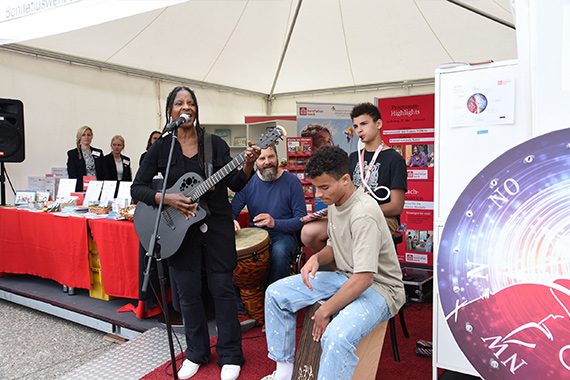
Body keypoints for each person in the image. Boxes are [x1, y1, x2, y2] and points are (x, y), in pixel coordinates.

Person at [131, 86, 261, 380]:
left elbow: (236, 183)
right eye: (179, 103)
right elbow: (137, 188)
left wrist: (249, 162)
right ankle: (196, 352)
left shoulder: (214, 144)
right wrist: (167, 199)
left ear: (196, 110)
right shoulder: (161, 148)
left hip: (215, 226)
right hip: (177, 230)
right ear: (170, 112)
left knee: (223, 291)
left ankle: (230, 354)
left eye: (190, 103)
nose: (185, 107)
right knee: (188, 293)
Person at [260, 146, 405, 380]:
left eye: (324, 187)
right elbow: (336, 248)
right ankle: (284, 373)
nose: (318, 194)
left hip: (380, 288)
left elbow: (365, 278)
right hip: (347, 276)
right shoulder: (336, 201)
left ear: (346, 180)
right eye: (316, 187)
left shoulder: (364, 213)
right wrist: (317, 258)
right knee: (276, 293)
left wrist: (326, 310)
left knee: (336, 336)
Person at [301, 102, 407, 252]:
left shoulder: (394, 159)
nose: (359, 130)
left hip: (382, 217)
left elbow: (396, 207)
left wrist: (361, 211)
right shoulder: (352, 157)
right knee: (308, 233)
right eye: (356, 126)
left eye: (364, 124)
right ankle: (340, 269)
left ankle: (356, 271)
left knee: (354, 232)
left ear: (378, 124)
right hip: (350, 214)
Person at [231, 145, 307, 285]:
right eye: (262, 158)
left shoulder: (292, 182)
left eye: (271, 156)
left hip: (284, 235)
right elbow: (232, 211)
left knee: (279, 252)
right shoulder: (247, 183)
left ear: (277, 157)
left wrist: (274, 223)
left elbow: (301, 220)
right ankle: (242, 303)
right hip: (254, 237)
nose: (267, 162)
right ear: (255, 161)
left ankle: (273, 296)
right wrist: (231, 220)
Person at [66, 126, 106, 192]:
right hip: (81, 189)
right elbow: (72, 174)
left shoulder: (98, 152)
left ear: (92, 136)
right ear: (79, 137)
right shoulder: (73, 154)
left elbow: (104, 171)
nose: (86, 137)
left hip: (98, 188)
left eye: (88, 135)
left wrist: (103, 186)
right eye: (83, 135)